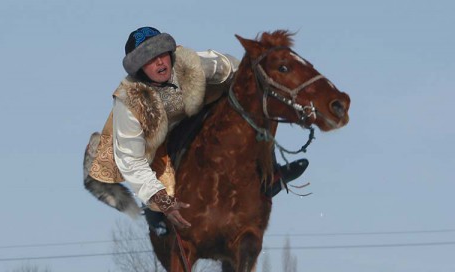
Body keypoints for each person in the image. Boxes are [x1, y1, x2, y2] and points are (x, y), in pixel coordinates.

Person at [86, 26, 308, 233]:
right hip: (149, 139)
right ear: (139, 69)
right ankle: (153, 215)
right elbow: (132, 160)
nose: (160, 63)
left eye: (162, 54)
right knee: (154, 158)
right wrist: (160, 199)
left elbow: (242, 75)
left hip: (198, 109)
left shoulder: (197, 64)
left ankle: (271, 171)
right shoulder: (129, 102)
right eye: (149, 60)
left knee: (253, 100)